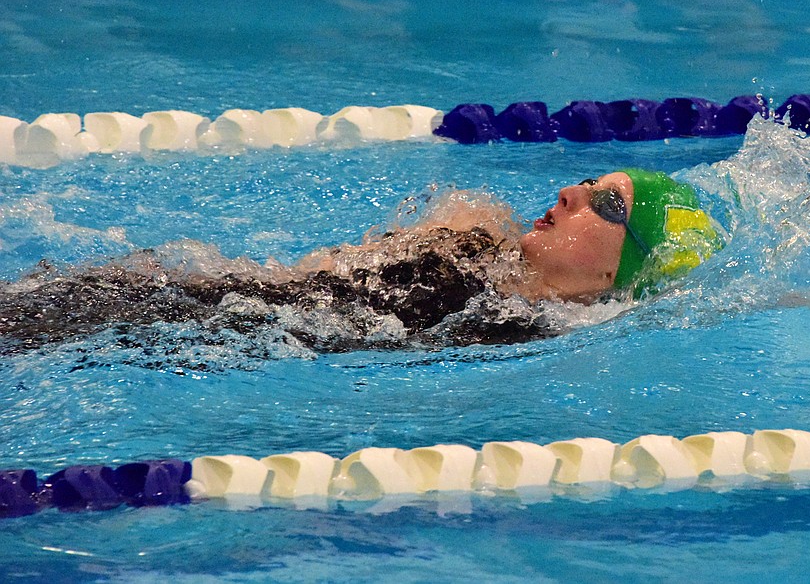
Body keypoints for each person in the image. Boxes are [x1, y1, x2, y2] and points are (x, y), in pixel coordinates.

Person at [0, 169, 724, 357]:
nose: (571, 192)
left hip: (224, 344)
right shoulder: (470, 230)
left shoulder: (544, 332)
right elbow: (299, 275)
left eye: (609, 208)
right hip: (210, 301)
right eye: (590, 185)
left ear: (617, 274)